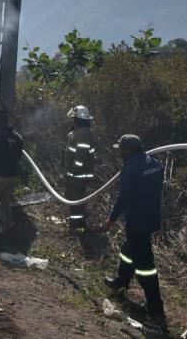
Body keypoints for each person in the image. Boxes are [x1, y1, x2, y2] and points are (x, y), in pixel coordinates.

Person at [104, 134, 166, 332]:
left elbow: (124, 197)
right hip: (150, 219)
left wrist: (111, 219)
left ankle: (156, 311)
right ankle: (121, 281)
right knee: (127, 249)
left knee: (145, 267)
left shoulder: (131, 169)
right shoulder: (154, 163)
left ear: (128, 150)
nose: (120, 153)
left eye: (121, 149)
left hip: (137, 221)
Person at [64, 105, 97, 229]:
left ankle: (76, 226)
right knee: (75, 200)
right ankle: (78, 223)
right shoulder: (79, 132)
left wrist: (75, 170)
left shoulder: (83, 133)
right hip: (75, 174)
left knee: (76, 201)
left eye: (74, 118)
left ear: (77, 119)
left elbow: (81, 154)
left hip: (78, 174)